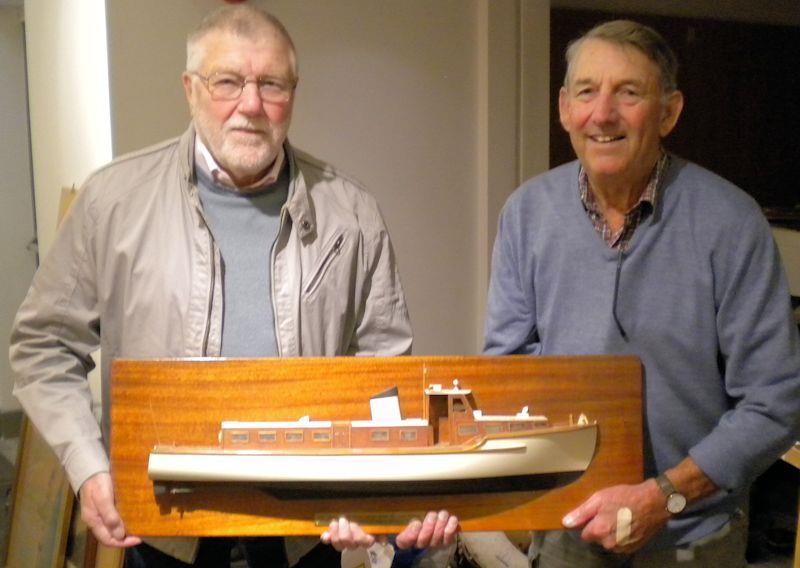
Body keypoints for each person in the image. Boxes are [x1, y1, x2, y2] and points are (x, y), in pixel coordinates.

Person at [10, 5, 457, 567]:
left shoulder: (352, 213)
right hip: (166, 528)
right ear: (190, 89)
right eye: (228, 81)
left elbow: (385, 372)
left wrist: (373, 496)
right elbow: (42, 345)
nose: (251, 105)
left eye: (271, 84)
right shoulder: (113, 203)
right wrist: (89, 466)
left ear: (293, 93)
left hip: (303, 533)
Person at [484, 19, 800, 567]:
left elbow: (776, 403)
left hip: (691, 538)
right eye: (587, 91)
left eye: (628, 93)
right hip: (567, 533)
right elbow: (509, 368)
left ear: (669, 112)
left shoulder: (731, 222)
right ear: (564, 108)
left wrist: (664, 497)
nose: (602, 114)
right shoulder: (526, 214)